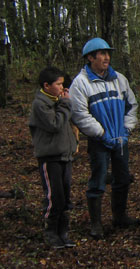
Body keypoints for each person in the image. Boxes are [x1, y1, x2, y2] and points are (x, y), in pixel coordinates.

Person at [70, 37, 140, 239]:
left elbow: (132, 105)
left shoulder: (119, 79)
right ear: (90, 57)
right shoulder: (81, 83)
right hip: (99, 141)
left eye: (108, 53)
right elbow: (80, 114)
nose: (106, 57)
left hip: (120, 139)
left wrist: (127, 129)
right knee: (98, 180)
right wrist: (101, 134)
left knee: (123, 178)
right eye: (101, 54)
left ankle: (120, 216)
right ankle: (96, 224)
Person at [28, 67, 78, 249]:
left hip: (65, 155)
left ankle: (63, 232)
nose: (61, 87)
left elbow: (67, 124)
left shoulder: (58, 101)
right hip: (50, 158)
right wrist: (65, 104)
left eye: (62, 84)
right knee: (54, 196)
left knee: (65, 196)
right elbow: (55, 124)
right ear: (46, 85)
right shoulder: (40, 104)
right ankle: (51, 232)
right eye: (58, 84)